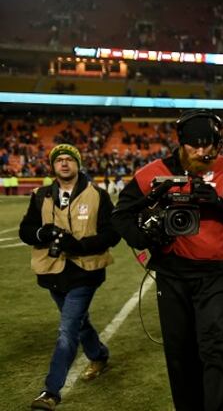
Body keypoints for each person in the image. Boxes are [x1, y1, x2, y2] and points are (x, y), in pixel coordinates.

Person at [111, 110, 223, 411]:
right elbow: (120, 216)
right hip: (171, 274)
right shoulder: (154, 173)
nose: (202, 152)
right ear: (180, 143)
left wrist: (218, 204)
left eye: (209, 145)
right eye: (194, 145)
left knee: (217, 350)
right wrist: (147, 235)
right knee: (180, 353)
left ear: (218, 144)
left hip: (214, 274)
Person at [18, 144, 121, 410]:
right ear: (53, 166)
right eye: (59, 160)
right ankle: (99, 355)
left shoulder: (97, 194)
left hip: (86, 270)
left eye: (69, 159)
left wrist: (82, 245)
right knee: (78, 322)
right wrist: (43, 233)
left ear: (78, 163)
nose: (64, 164)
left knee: (67, 330)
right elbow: (26, 230)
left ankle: (50, 392)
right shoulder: (40, 195)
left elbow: (113, 233)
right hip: (52, 271)